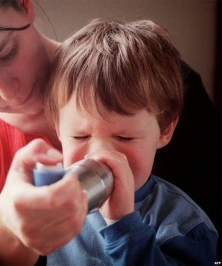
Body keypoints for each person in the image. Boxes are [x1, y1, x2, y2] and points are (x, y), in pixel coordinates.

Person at [0, 0, 220, 265]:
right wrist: (6, 231)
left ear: (24, 4)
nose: (10, 93)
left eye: (6, 53)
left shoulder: (156, 89)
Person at [44, 18, 218, 265]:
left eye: (124, 137)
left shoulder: (184, 226)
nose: (99, 154)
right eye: (80, 136)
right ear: (57, 129)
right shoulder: (48, 204)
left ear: (164, 130)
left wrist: (123, 226)